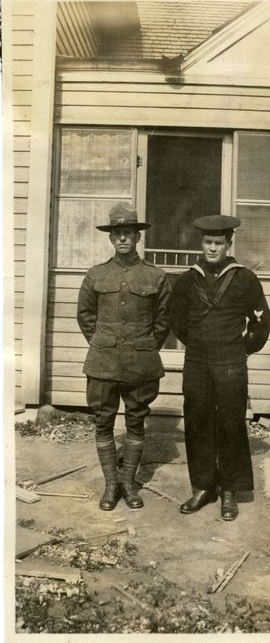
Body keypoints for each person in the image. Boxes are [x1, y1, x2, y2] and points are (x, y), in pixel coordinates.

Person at [170, 215, 270, 521]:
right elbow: (177, 322)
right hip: (197, 360)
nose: (213, 248)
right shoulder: (188, 279)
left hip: (231, 361)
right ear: (201, 244)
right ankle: (202, 487)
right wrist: (200, 344)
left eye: (219, 243)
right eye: (208, 243)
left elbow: (261, 322)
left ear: (229, 244)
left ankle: (229, 490)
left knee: (230, 422)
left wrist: (240, 349)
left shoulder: (245, 279)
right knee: (197, 420)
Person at [77, 202, 171, 511]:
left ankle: (129, 482)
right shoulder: (96, 275)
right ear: (110, 237)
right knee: (103, 423)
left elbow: (162, 322)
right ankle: (111, 484)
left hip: (141, 363)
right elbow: (85, 316)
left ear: (137, 237)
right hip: (102, 365)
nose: (122, 239)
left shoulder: (155, 277)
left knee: (136, 422)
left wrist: (143, 345)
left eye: (128, 233)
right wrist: (103, 343)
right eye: (117, 233)